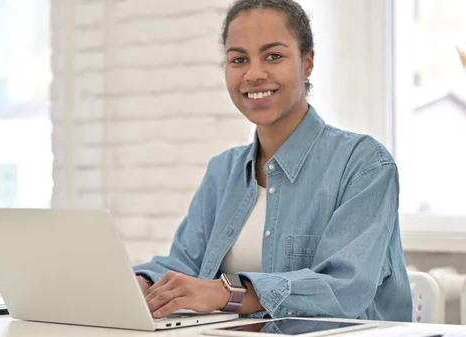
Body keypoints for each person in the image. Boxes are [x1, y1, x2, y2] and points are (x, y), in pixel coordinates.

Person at [133, 0, 412, 322]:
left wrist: (228, 293)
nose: (253, 74)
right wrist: (142, 282)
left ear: (307, 62)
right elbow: (184, 265)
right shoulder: (222, 171)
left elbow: (345, 287)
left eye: (274, 56)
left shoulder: (364, 164)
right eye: (239, 59)